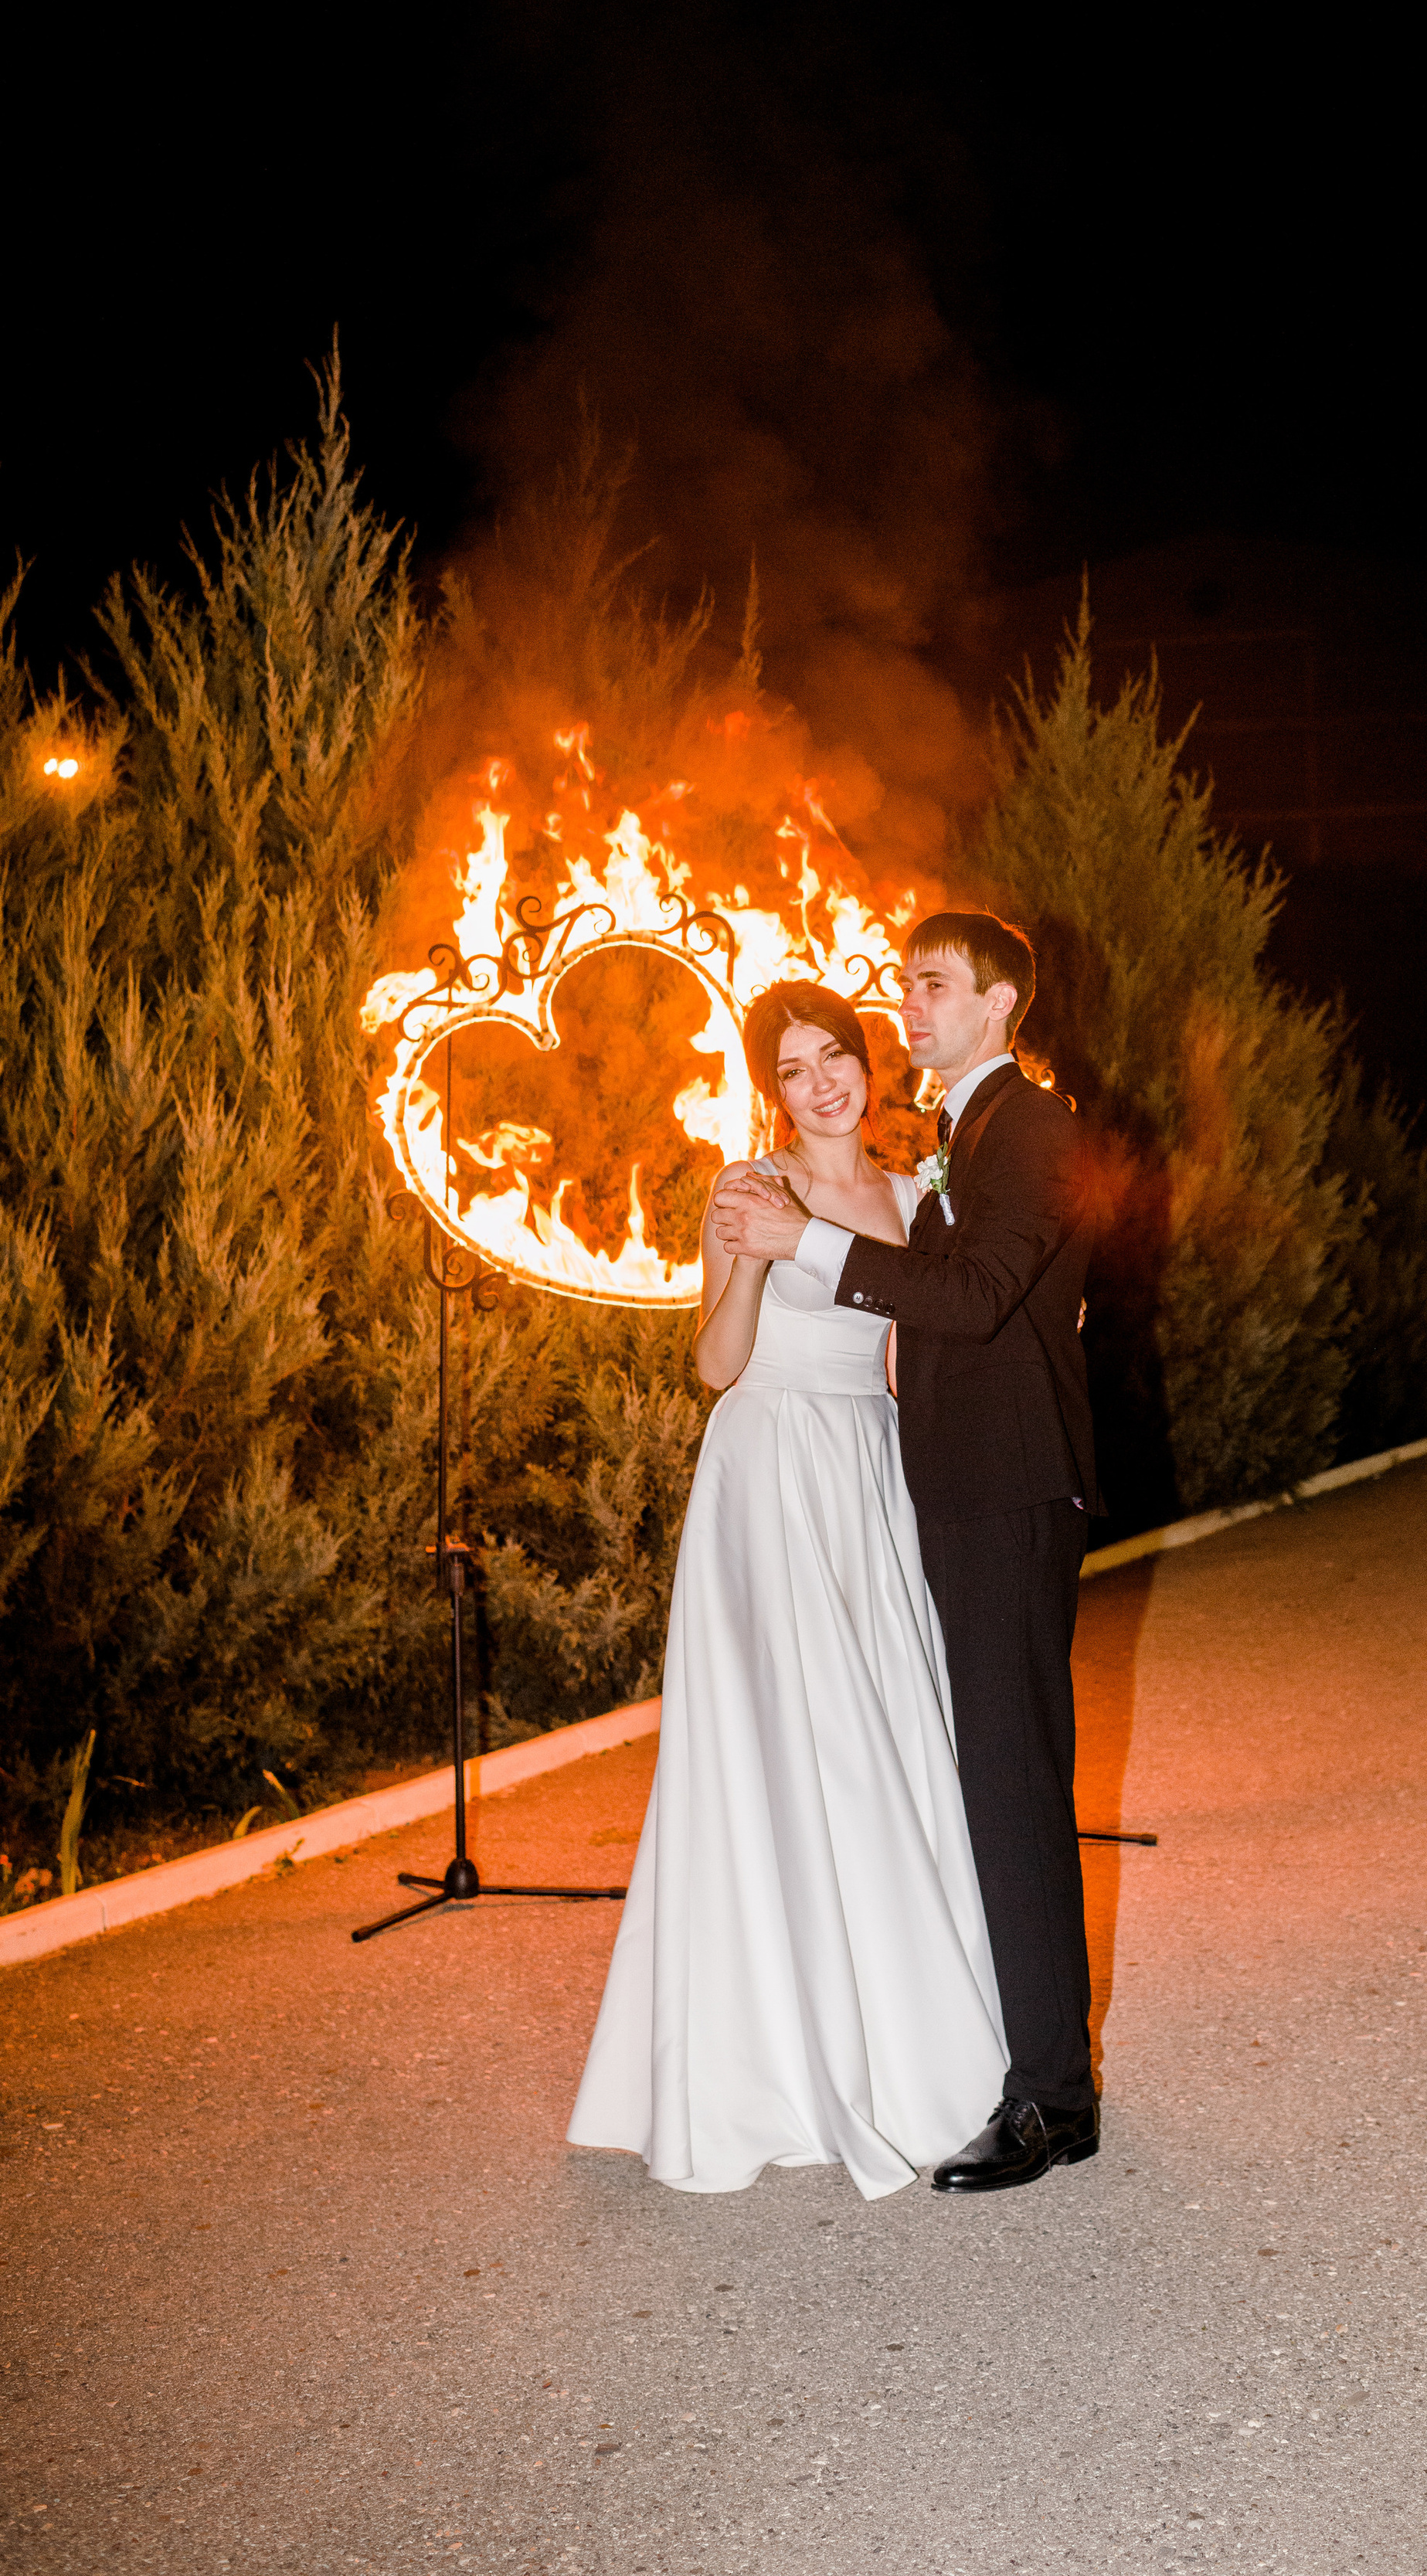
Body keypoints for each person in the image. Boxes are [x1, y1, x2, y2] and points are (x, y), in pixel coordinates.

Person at [566, 981, 1006, 2202]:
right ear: (772, 1089)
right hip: (767, 1472)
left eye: (837, 1058)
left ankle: (905, 2026)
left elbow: (920, 1358)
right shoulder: (747, 1188)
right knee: (787, 1745)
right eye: (796, 1069)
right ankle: (771, 2054)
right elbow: (715, 1365)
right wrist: (755, 1258)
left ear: (867, 1066)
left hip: (873, 1471)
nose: (823, 1085)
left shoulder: (914, 1201)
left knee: (885, 1730)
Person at [713, 911, 1103, 2196]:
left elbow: (979, 1297)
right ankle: (1038, 2074)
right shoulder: (960, 1136)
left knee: (1013, 1783)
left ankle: (1051, 2102)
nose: (911, 1006)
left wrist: (806, 1246)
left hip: (1004, 1492)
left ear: (998, 1004)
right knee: (990, 1778)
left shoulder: (1027, 1127)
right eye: (907, 986)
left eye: (934, 985)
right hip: (955, 1487)